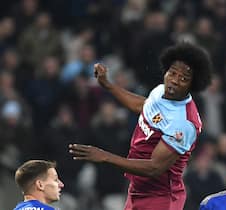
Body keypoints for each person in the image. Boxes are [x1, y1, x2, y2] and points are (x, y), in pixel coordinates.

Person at [69, 42, 212, 210]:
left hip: (160, 197)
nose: (174, 80)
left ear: (192, 85)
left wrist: (105, 157)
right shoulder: (160, 91)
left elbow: (154, 168)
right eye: (172, 73)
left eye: (184, 79)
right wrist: (108, 85)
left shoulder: (183, 123)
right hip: (139, 189)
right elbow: (143, 106)